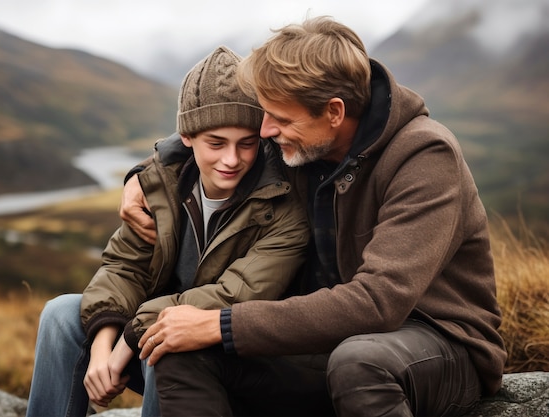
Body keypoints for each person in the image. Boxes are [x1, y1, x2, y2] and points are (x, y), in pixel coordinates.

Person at [120, 16, 507, 417]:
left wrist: (222, 323)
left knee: (359, 363)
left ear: (334, 112)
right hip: (323, 345)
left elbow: (379, 302)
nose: (267, 130)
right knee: (183, 352)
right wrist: (147, 174)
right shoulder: (303, 143)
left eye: (281, 119)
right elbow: (217, 130)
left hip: (436, 343)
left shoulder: (424, 156)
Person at [25, 46, 310, 417]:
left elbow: (237, 295)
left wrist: (130, 338)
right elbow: (124, 267)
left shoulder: (284, 203)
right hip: (151, 337)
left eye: (247, 143)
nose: (232, 159)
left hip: (232, 362)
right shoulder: (160, 185)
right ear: (186, 138)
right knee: (61, 314)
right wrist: (102, 345)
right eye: (216, 143)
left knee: (171, 341)